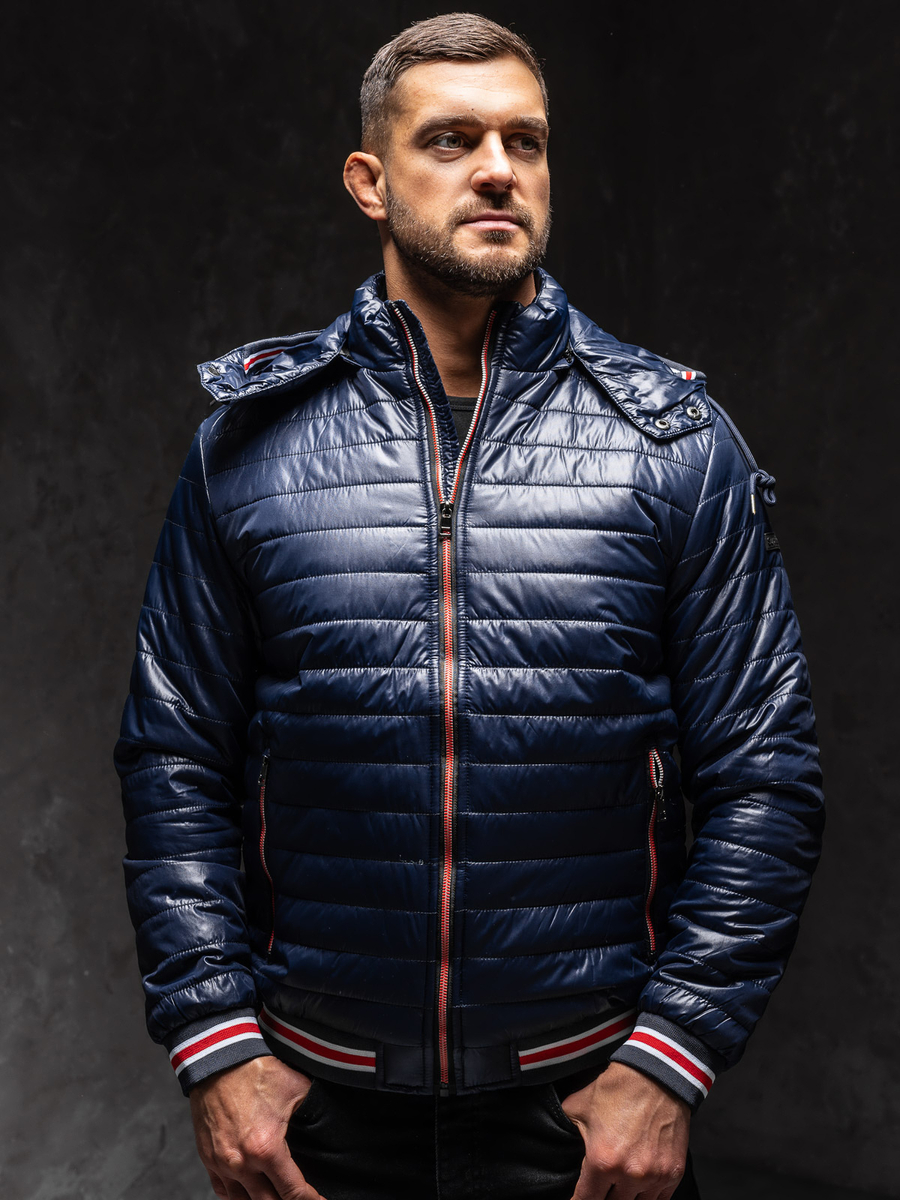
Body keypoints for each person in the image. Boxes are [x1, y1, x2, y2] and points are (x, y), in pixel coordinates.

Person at [114, 13, 824, 1200]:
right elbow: (173, 759)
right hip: (320, 1116)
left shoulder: (673, 443)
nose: (499, 169)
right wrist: (215, 1043)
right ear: (370, 181)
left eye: (524, 141)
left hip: (586, 1114)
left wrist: (672, 1059)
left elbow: (767, 775)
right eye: (451, 139)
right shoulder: (249, 449)